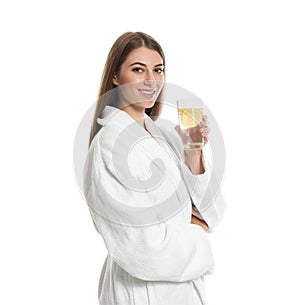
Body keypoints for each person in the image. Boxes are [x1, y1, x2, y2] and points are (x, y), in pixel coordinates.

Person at [83, 31, 225, 305]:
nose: (151, 80)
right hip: (142, 293)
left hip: (182, 291)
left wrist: (192, 152)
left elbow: (212, 213)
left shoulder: (164, 135)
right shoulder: (111, 145)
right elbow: (143, 248)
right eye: (138, 69)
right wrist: (196, 229)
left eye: (158, 70)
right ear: (115, 76)